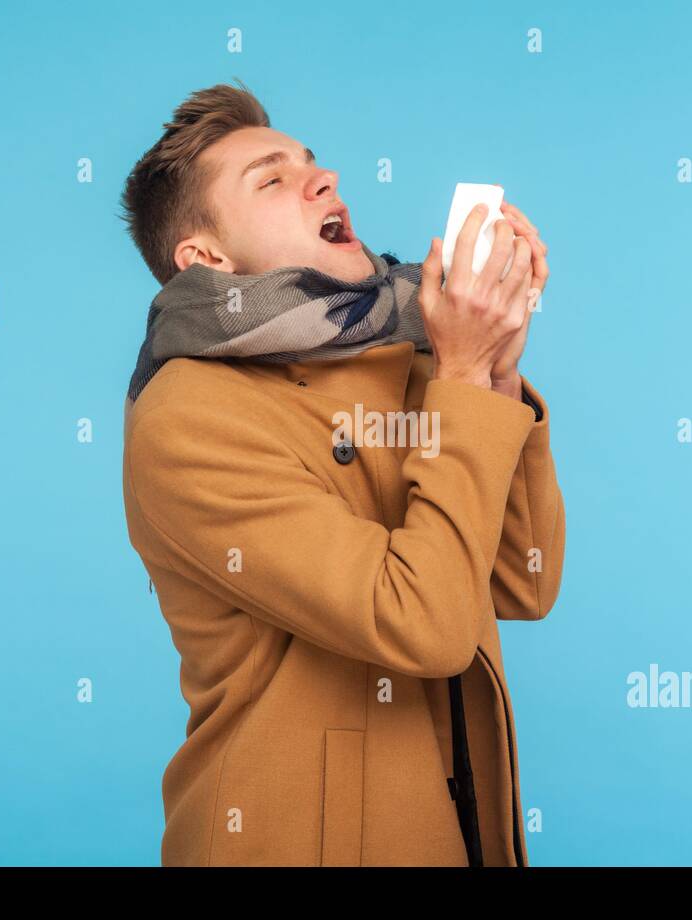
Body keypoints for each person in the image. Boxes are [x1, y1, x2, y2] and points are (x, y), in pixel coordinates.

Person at [119, 80, 565, 866]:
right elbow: (421, 622)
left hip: (451, 826)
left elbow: (517, 583)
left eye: (313, 164)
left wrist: (492, 374)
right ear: (205, 259)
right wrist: (458, 377)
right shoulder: (186, 418)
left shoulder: (397, 355)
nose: (322, 180)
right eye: (273, 178)